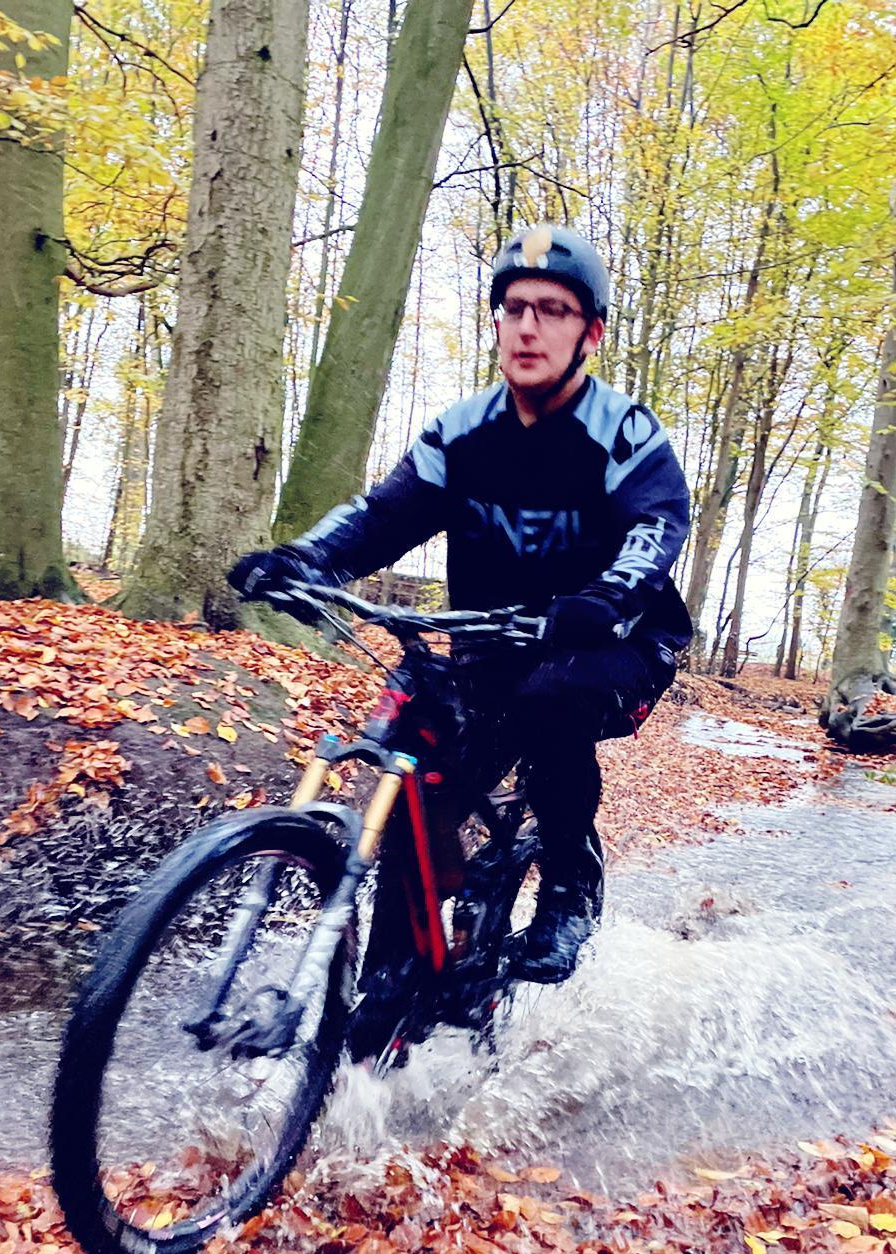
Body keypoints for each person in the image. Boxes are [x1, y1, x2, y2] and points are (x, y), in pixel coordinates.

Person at [230, 223, 692, 984]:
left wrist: (604, 598)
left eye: (553, 310)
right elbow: (384, 515)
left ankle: (569, 883)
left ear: (592, 334)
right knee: (419, 779)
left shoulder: (624, 432)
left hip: (615, 642)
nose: (528, 327)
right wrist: (303, 559)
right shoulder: (462, 433)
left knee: (553, 697)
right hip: (491, 642)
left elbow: (657, 525)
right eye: (514, 308)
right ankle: (391, 987)